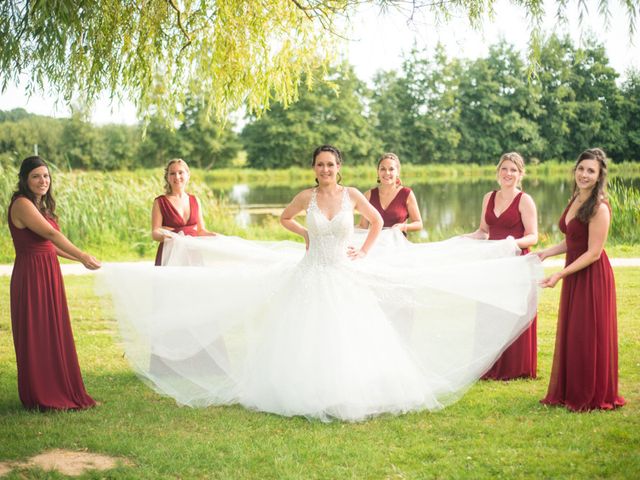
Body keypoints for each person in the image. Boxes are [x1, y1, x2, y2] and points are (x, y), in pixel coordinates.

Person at [101, 145, 541, 422]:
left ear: (339, 168)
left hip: (343, 271)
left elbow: (374, 222)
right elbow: (283, 219)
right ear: (314, 169)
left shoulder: (353, 195)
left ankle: (352, 391)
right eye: (320, 165)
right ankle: (300, 390)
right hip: (311, 270)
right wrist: (306, 234)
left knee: (352, 332)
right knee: (304, 332)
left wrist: (365, 250)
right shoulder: (306, 197)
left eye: (331, 164)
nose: (326, 170)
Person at [8, 156, 100, 410]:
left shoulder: (40, 206)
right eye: (36, 176)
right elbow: (51, 234)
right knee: (37, 332)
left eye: (46, 176)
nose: (43, 181)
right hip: (31, 275)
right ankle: (41, 393)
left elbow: (51, 246)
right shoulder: (22, 204)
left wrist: (80, 260)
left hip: (48, 271)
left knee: (53, 329)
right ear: (25, 179)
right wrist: (82, 254)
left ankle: (60, 387)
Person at [536, 148, 625, 411]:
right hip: (575, 271)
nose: (584, 175)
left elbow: (594, 252)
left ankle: (591, 393)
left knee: (586, 333)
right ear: (575, 170)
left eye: (591, 171)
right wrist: (545, 253)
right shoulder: (575, 198)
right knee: (574, 331)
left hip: (591, 275)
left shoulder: (599, 207)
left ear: (599, 177)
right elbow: (572, 240)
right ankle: (570, 390)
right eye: (581, 169)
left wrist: (560, 274)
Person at [465, 152, 539, 380]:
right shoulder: (489, 197)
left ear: (520, 174)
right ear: (498, 172)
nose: (508, 173)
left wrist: (511, 244)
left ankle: (514, 367)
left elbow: (533, 236)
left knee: (510, 312)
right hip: (492, 264)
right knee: (489, 311)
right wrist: (463, 240)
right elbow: (483, 231)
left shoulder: (524, 200)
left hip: (516, 262)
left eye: (513, 170)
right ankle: (488, 366)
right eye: (505, 169)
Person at [152, 158, 215, 265]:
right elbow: (155, 232)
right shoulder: (160, 202)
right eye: (172, 173)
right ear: (167, 177)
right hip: (171, 253)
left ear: (188, 175)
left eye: (180, 172)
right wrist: (167, 237)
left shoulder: (195, 200)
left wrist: (216, 236)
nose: (177, 177)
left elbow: (200, 231)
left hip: (193, 253)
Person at [359, 153, 423, 235]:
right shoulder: (368, 195)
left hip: (399, 245)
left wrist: (403, 227)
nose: (387, 173)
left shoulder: (407, 194)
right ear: (378, 172)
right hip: (376, 245)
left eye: (391, 169)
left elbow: (419, 224)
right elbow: (363, 226)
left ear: (398, 172)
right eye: (383, 169)